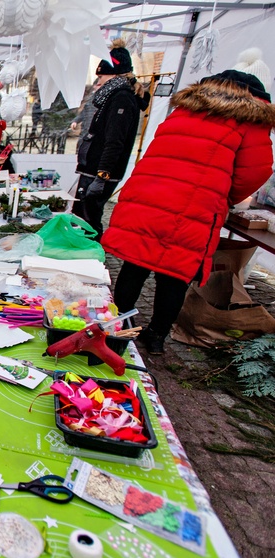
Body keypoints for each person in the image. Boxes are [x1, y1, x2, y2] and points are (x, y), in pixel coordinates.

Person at [101, 70, 275, 354]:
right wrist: (222, 195)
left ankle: (118, 326)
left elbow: (160, 151)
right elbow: (254, 173)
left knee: (136, 263)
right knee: (175, 273)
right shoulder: (251, 120)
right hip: (195, 206)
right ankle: (155, 337)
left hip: (149, 195)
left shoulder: (186, 110)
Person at [72, 39, 142, 240]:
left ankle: (92, 256)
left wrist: (102, 176)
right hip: (93, 170)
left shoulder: (121, 98)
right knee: (83, 217)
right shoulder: (114, 97)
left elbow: (115, 142)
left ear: (114, 74)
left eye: (101, 76)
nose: (98, 82)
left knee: (89, 220)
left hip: (99, 173)